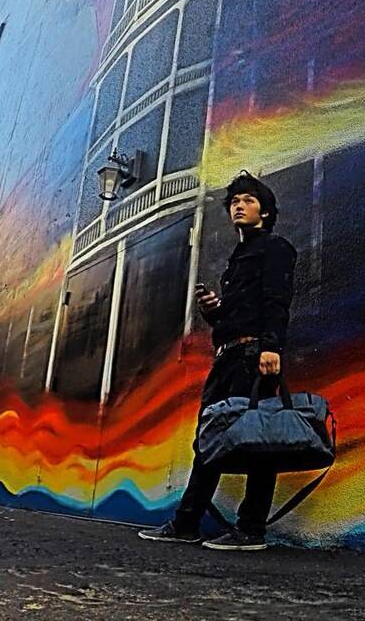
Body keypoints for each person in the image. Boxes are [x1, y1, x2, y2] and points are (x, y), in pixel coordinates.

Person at [139, 170, 298, 551]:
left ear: (265, 211)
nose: (238, 206)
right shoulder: (238, 257)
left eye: (248, 201)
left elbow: (277, 301)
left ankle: (251, 530)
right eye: (234, 202)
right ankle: (187, 523)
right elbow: (237, 314)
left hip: (254, 357)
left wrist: (272, 347)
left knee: (258, 439)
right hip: (227, 358)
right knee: (209, 439)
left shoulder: (275, 248)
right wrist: (215, 311)